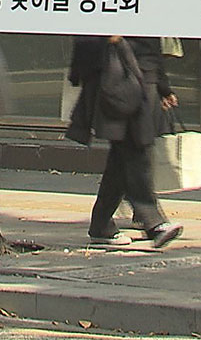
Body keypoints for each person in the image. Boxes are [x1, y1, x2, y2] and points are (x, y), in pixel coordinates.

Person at [66, 35, 183, 248]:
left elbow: (153, 45)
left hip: (141, 74)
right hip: (116, 72)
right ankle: (153, 222)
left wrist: (162, 86)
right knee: (135, 148)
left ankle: (102, 224)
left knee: (124, 156)